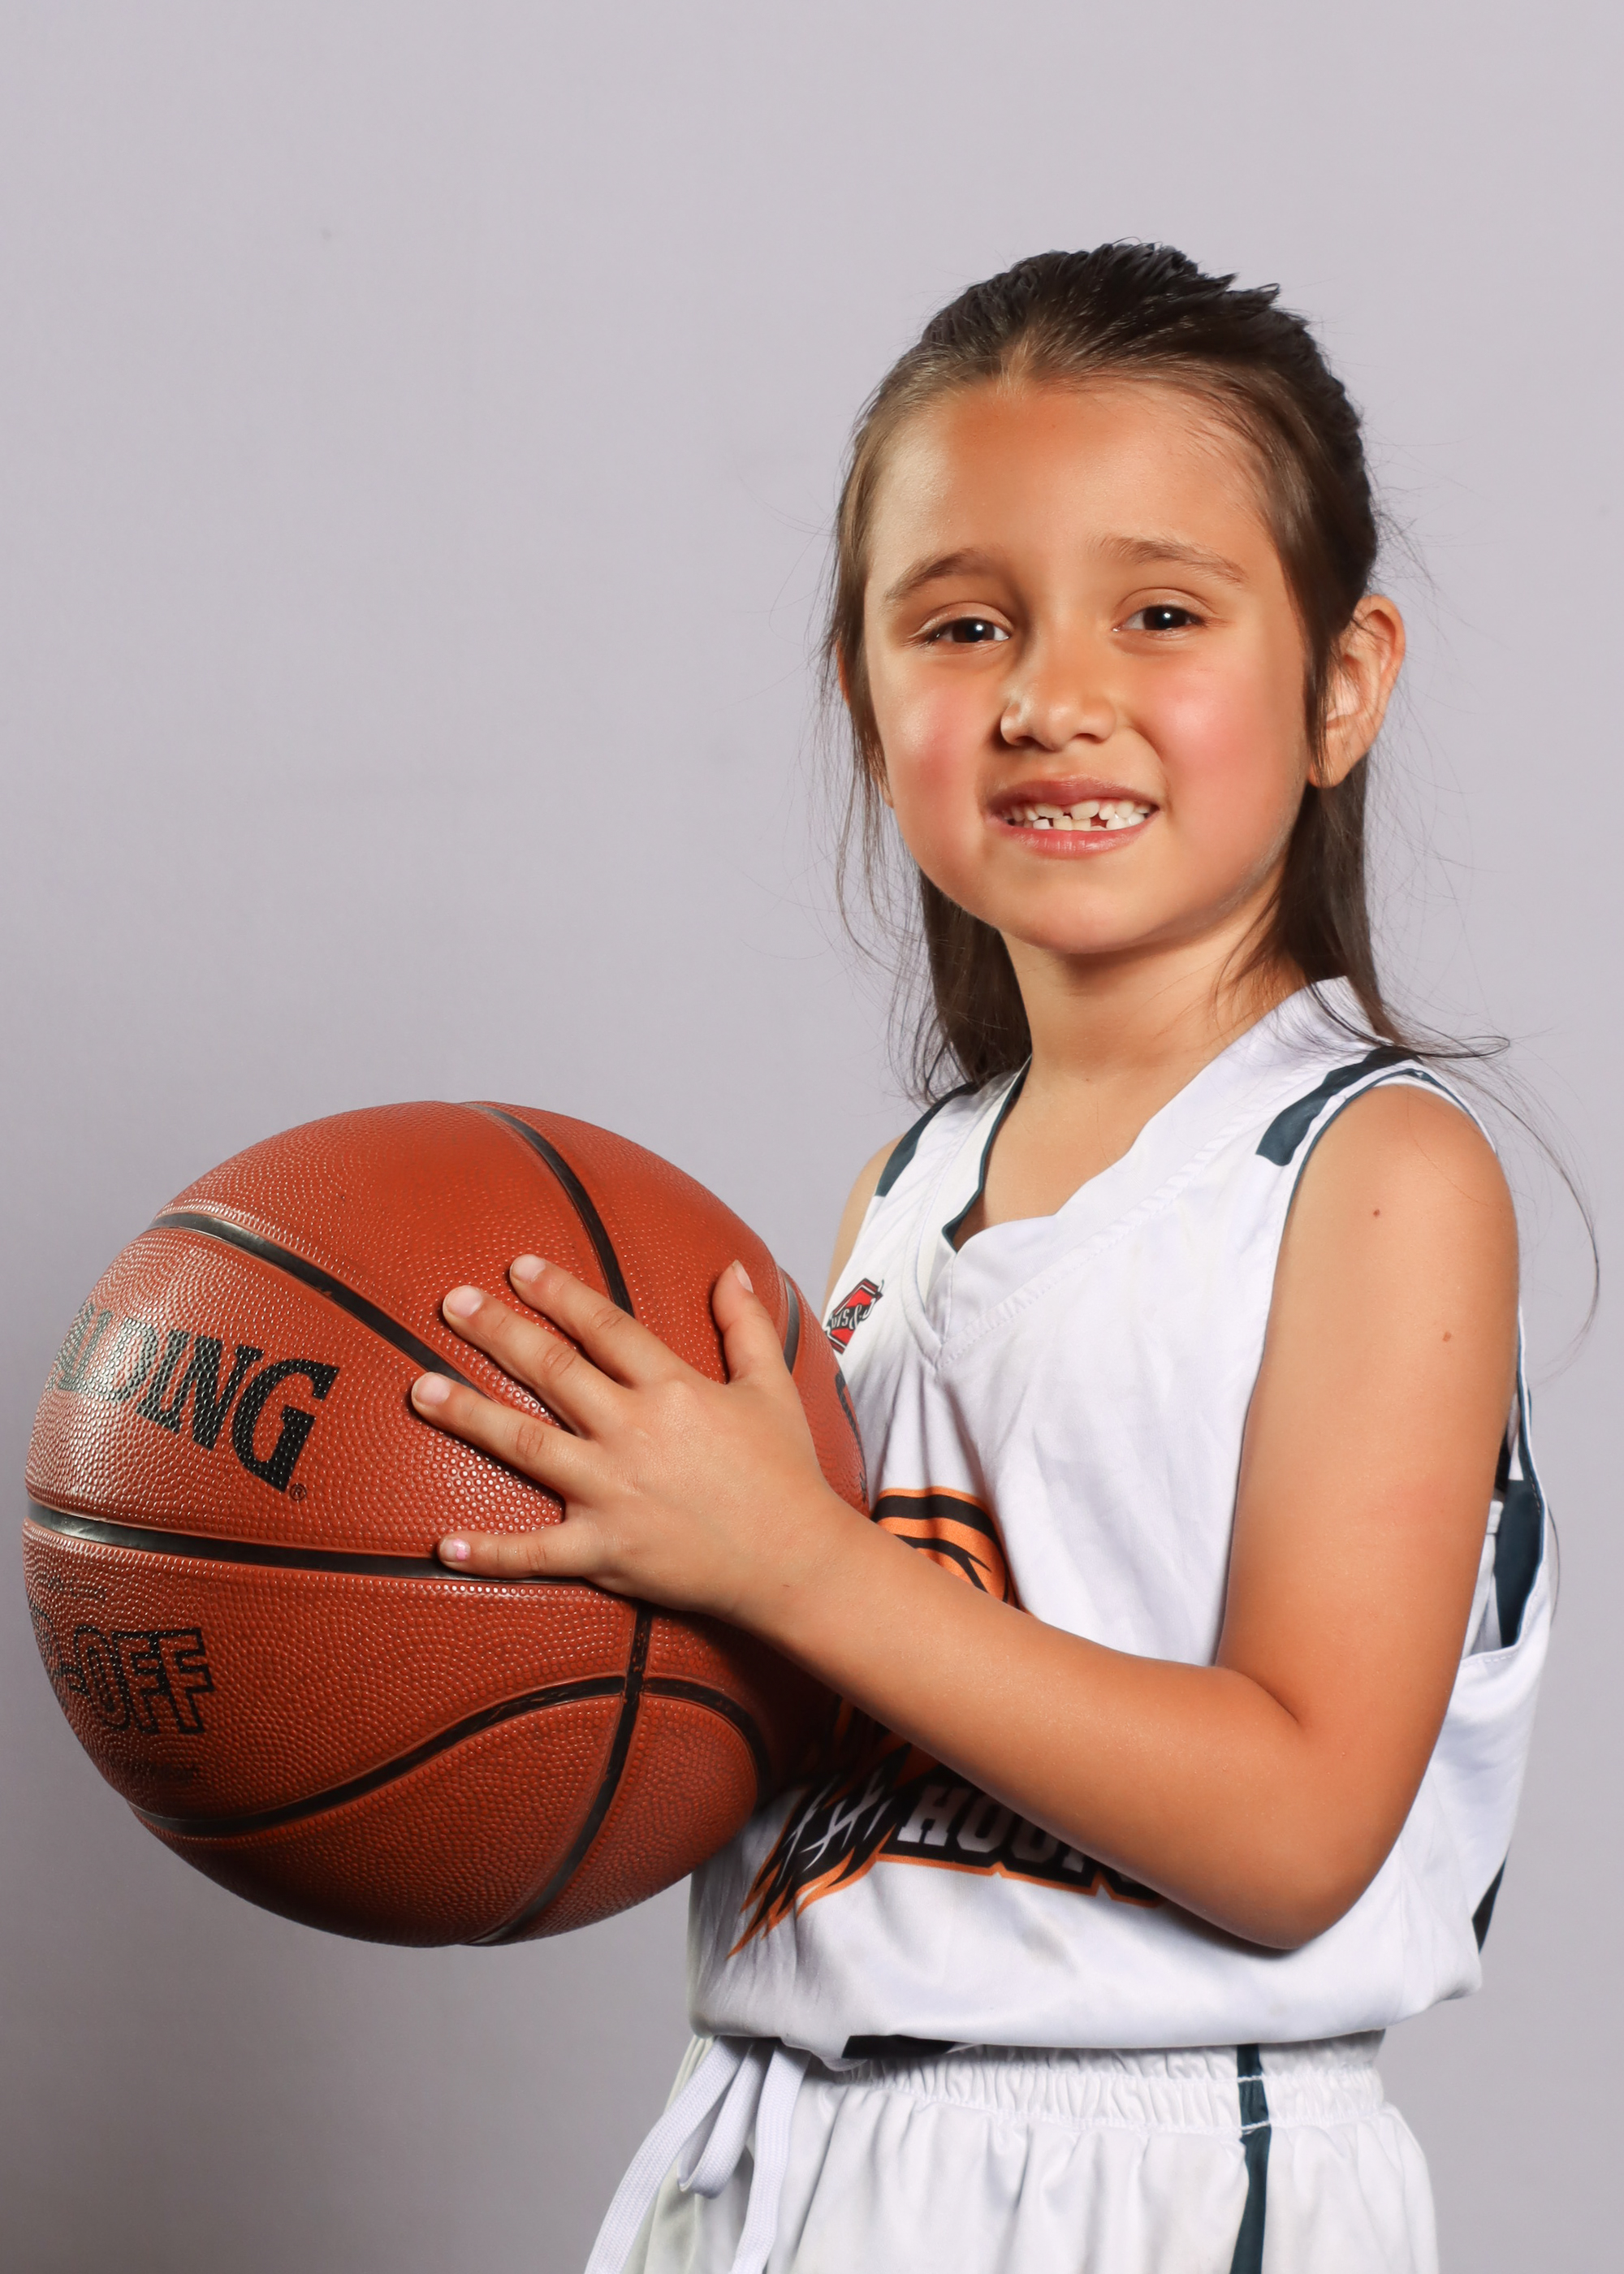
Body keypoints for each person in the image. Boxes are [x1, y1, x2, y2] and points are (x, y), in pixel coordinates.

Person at [407, 246, 1551, 2273]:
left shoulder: (1371, 1169)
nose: (1046, 696)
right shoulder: (906, 1182)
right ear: (866, 698)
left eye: (1161, 613)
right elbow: (838, 1682)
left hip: (1145, 2168)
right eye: (961, 623)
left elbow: (1298, 1827)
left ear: (1341, 683)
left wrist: (785, 1558)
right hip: (767, 2142)